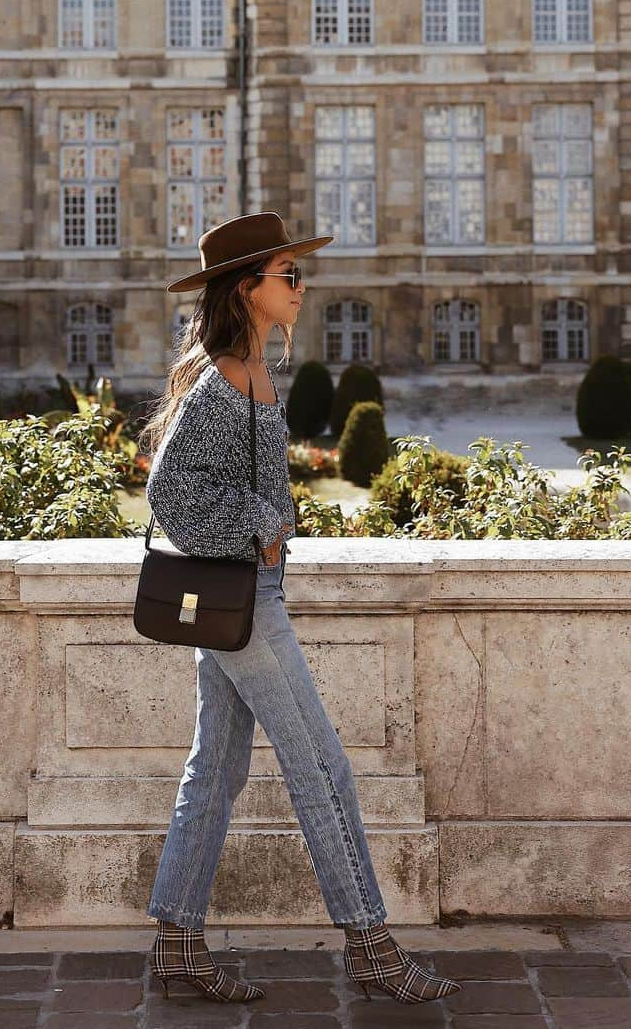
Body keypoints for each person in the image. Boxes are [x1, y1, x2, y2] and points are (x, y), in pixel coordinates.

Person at [138, 211, 462, 1006]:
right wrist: (264, 524)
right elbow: (170, 491)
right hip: (243, 600)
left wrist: (265, 522)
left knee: (214, 771)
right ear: (247, 289)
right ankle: (370, 946)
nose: (301, 287)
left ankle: (179, 944)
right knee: (322, 766)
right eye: (289, 275)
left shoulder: (245, 367)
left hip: (236, 596)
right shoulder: (224, 377)